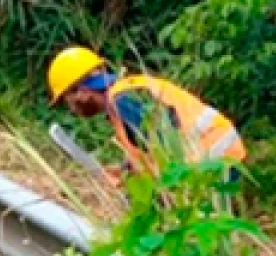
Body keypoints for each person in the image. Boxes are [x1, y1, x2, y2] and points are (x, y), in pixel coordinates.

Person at [46, 45, 247, 187]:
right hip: (219, 157)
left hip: (212, 160)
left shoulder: (123, 100)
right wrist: (125, 169)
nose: (72, 109)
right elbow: (149, 143)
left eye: (67, 100)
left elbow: (167, 147)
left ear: (81, 92)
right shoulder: (126, 92)